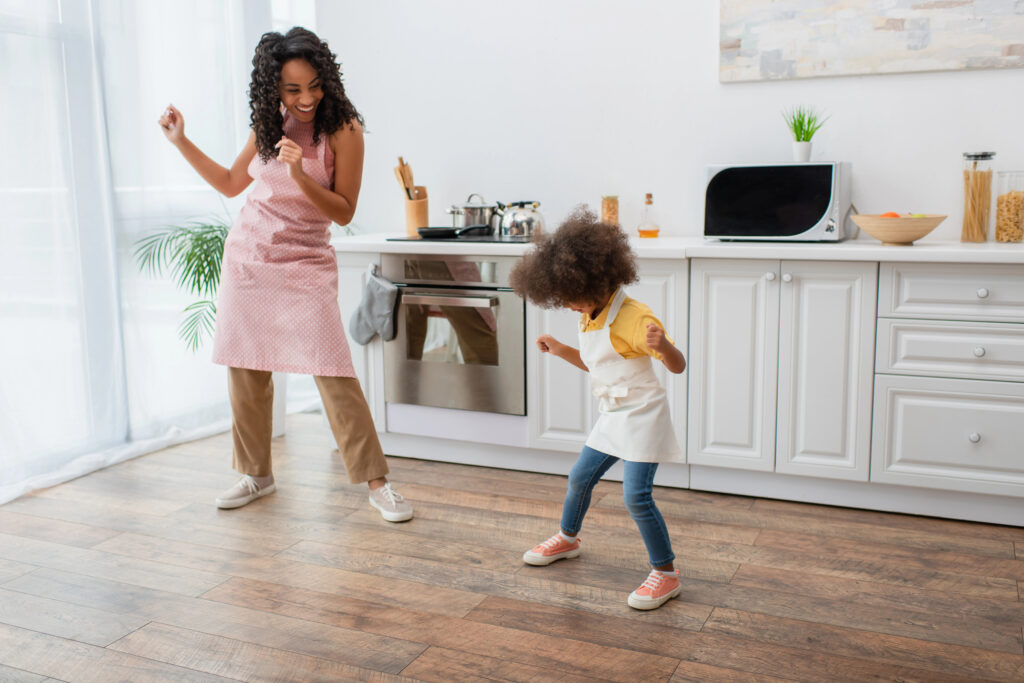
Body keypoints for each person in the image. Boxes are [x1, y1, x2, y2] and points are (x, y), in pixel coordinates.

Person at [158, 26, 412, 522]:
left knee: (333, 369)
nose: (306, 98)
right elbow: (233, 185)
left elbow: (342, 211)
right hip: (250, 257)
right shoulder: (268, 124)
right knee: (246, 367)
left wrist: (298, 175)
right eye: (293, 89)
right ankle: (257, 474)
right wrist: (180, 141)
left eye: (314, 85)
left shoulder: (344, 130)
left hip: (306, 261)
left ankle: (378, 484)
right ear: (273, 86)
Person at [509, 207, 686, 610]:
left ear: (593, 280)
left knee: (636, 497)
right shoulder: (591, 312)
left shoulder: (636, 319)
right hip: (612, 415)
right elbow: (597, 362)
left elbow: (678, 366)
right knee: (579, 478)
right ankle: (568, 538)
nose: (567, 305)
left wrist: (664, 347)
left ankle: (666, 574)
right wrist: (560, 349)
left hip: (643, 416)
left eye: (569, 298)